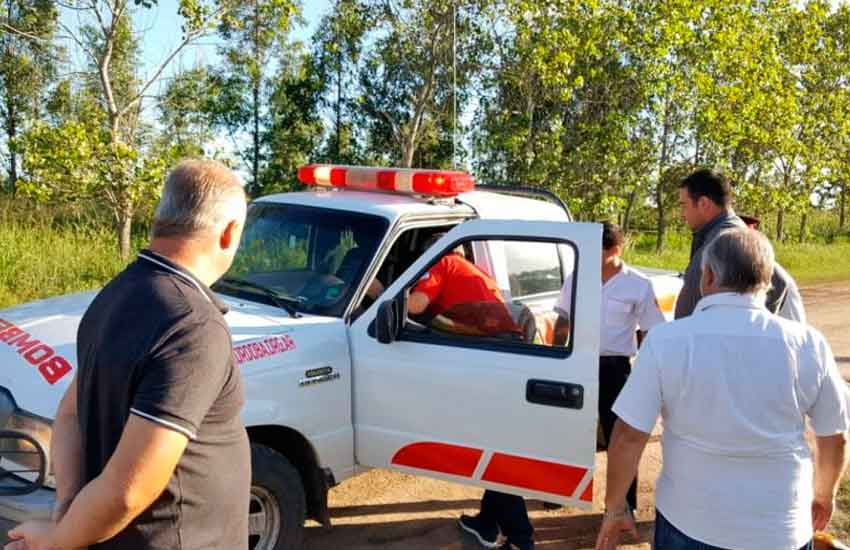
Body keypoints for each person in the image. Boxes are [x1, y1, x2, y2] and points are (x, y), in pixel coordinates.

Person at [5, 160, 251, 550]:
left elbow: (69, 415)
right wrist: (56, 540)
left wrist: (68, 510)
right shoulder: (192, 325)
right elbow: (129, 490)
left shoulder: (118, 293)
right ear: (229, 232)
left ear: (161, 218)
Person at [595, 228, 849, 550]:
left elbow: (629, 434)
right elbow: (834, 435)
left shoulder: (666, 342)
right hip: (781, 527)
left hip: (688, 522)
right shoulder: (808, 344)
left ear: (709, 276)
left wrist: (616, 506)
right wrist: (823, 495)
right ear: (766, 279)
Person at [552, 222, 666, 513]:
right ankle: (558, 492)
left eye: (597, 250)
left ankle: (622, 504)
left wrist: (645, 370)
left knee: (620, 438)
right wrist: (554, 361)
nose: (589, 255)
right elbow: (563, 320)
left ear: (616, 249)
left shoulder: (638, 284)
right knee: (568, 432)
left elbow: (651, 330)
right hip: (576, 364)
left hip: (615, 369)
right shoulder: (576, 279)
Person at [674, 168, 805, 321]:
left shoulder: (727, 238)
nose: (682, 214)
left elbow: (779, 282)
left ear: (703, 203)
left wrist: (751, 327)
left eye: (684, 205)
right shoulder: (721, 233)